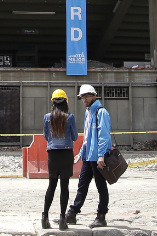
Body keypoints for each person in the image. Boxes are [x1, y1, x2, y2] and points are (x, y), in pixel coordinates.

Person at [65, 84, 110, 229]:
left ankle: (101, 216)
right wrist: (80, 153)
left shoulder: (101, 113)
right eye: (82, 97)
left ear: (94, 96)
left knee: (101, 186)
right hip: (88, 156)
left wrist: (101, 156)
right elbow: (86, 138)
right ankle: (72, 213)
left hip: (97, 157)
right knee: (82, 185)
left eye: (86, 97)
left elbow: (103, 136)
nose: (84, 100)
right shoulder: (88, 113)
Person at [41, 89, 78, 231]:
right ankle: (63, 220)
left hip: (53, 154)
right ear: (66, 102)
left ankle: (44, 218)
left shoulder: (47, 117)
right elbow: (74, 137)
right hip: (66, 153)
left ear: (53, 103)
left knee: (51, 185)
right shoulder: (70, 117)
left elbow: (45, 136)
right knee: (64, 187)